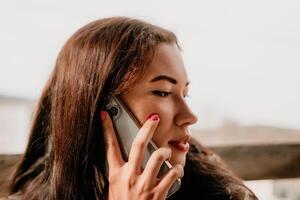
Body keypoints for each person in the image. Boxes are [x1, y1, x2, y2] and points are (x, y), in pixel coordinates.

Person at [8, 17, 258, 199]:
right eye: (163, 92)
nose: (189, 117)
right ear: (102, 109)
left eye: (185, 94)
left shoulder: (223, 196)